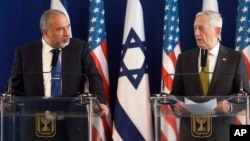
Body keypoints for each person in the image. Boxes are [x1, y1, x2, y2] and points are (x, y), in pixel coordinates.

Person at [4, 9, 109, 141]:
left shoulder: (79, 48)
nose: (67, 33)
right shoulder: (25, 53)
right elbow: (13, 87)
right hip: (36, 124)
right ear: (46, 32)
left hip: (71, 123)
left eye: (68, 27)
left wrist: (100, 102)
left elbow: (93, 76)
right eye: (60, 29)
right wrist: (7, 103)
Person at [170, 10, 250, 141]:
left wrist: (230, 106)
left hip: (222, 134)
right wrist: (175, 105)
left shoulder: (234, 58)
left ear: (217, 31)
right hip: (191, 134)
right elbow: (176, 93)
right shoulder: (184, 58)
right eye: (195, 28)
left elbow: (245, 94)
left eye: (201, 29)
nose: (196, 33)